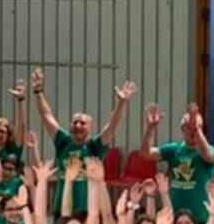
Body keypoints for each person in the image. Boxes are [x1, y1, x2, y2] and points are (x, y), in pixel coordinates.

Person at [31, 66, 136, 212]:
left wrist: (121, 103)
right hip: (61, 207)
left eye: (82, 123)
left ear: (90, 128)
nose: (78, 125)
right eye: (75, 122)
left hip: (88, 209)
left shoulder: (94, 146)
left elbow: (112, 126)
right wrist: (38, 92)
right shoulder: (63, 141)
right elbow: (46, 116)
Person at [140, 102, 214, 224]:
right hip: (175, 219)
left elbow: (208, 156)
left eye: (198, 127)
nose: (193, 130)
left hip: (201, 219)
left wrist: (195, 128)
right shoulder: (174, 149)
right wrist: (150, 129)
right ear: (182, 129)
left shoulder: (211, 150)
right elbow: (145, 153)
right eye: (189, 127)